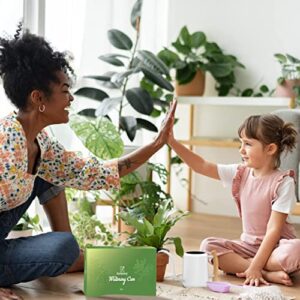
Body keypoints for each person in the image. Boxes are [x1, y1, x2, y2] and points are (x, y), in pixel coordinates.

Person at [0, 29, 177, 295]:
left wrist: (154, 146)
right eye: (64, 90)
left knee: (52, 177)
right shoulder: (5, 144)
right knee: (63, 248)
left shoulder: (41, 142)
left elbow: (91, 172)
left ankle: (65, 258)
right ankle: (66, 258)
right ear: (38, 99)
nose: (70, 98)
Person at [168, 113, 300, 287]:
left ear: (270, 149)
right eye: (241, 143)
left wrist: (255, 264)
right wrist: (171, 141)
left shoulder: (283, 183)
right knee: (207, 247)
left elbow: (273, 230)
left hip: (276, 247)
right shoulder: (240, 173)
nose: (241, 150)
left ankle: (249, 266)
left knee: (296, 250)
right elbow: (202, 166)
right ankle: (266, 274)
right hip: (248, 246)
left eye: (248, 144)